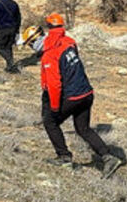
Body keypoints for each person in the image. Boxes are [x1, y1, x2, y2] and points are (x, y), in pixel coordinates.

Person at [38, 13, 122, 178]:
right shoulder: (70, 43)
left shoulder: (51, 53)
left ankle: (64, 156)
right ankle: (108, 157)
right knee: (83, 128)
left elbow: (55, 84)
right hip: (87, 93)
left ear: (48, 29)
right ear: (62, 27)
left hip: (72, 96)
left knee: (50, 122)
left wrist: (54, 107)